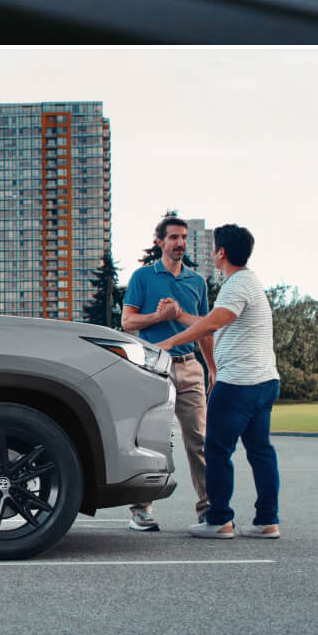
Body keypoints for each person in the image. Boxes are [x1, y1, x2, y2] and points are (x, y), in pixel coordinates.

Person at [153, 223, 281, 539]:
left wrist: (169, 342)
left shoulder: (236, 285)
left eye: (213, 248)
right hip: (263, 381)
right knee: (260, 451)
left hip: (239, 384)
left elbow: (213, 323)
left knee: (216, 450)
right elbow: (214, 321)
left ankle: (219, 519)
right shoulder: (249, 283)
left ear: (221, 253)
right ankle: (267, 521)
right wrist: (180, 314)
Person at [119, 214, 213, 531]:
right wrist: (157, 316)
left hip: (190, 367)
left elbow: (205, 328)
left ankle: (208, 509)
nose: (180, 243)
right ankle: (140, 510)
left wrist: (212, 368)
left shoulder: (196, 282)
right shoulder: (143, 277)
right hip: (154, 367)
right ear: (160, 242)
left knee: (199, 441)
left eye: (183, 237)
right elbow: (127, 323)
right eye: (173, 237)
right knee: (150, 439)